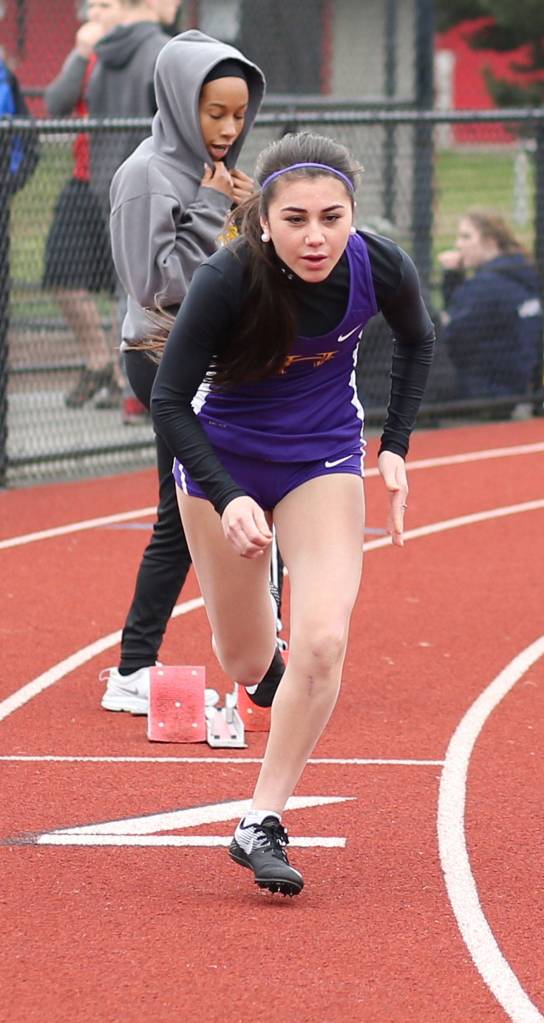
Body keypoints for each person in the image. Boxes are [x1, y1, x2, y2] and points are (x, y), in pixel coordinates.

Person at [150, 131, 436, 895]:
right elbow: (168, 401)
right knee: (247, 660)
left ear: (354, 213)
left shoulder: (381, 264)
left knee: (324, 640)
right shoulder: (227, 278)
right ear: (264, 220)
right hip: (222, 457)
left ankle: (260, 818)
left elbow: (418, 340)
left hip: (322, 459)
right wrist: (227, 492)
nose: (318, 236)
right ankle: (263, 643)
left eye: (333, 217)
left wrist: (396, 445)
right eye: (299, 218)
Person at [100, 30, 278, 713]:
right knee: (215, 505)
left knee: (194, 512)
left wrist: (251, 206)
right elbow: (157, 285)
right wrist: (211, 211)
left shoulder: (226, 176)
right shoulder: (146, 175)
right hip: (161, 357)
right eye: (215, 113)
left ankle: (148, 663)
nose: (229, 129)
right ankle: (144, 666)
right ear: (180, 103)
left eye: (239, 115)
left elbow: (255, 270)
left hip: (219, 361)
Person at [43, 0, 125, 409]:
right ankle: (97, 361)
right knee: (60, 272)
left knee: (120, 288)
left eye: (104, 6)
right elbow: (56, 102)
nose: (93, 14)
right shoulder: (87, 54)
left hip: (121, 184)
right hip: (81, 179)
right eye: (90, 6)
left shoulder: (131, 55)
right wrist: (79, 53)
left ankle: (119, 376)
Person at [438, 209, 542, 405]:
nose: (459, 244)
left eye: (466, 237)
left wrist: (451, 278)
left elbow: (450, 335)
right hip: (517, 384)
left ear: (491, 242)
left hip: (485, 388)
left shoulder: (486, 285)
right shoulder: (523, 273)